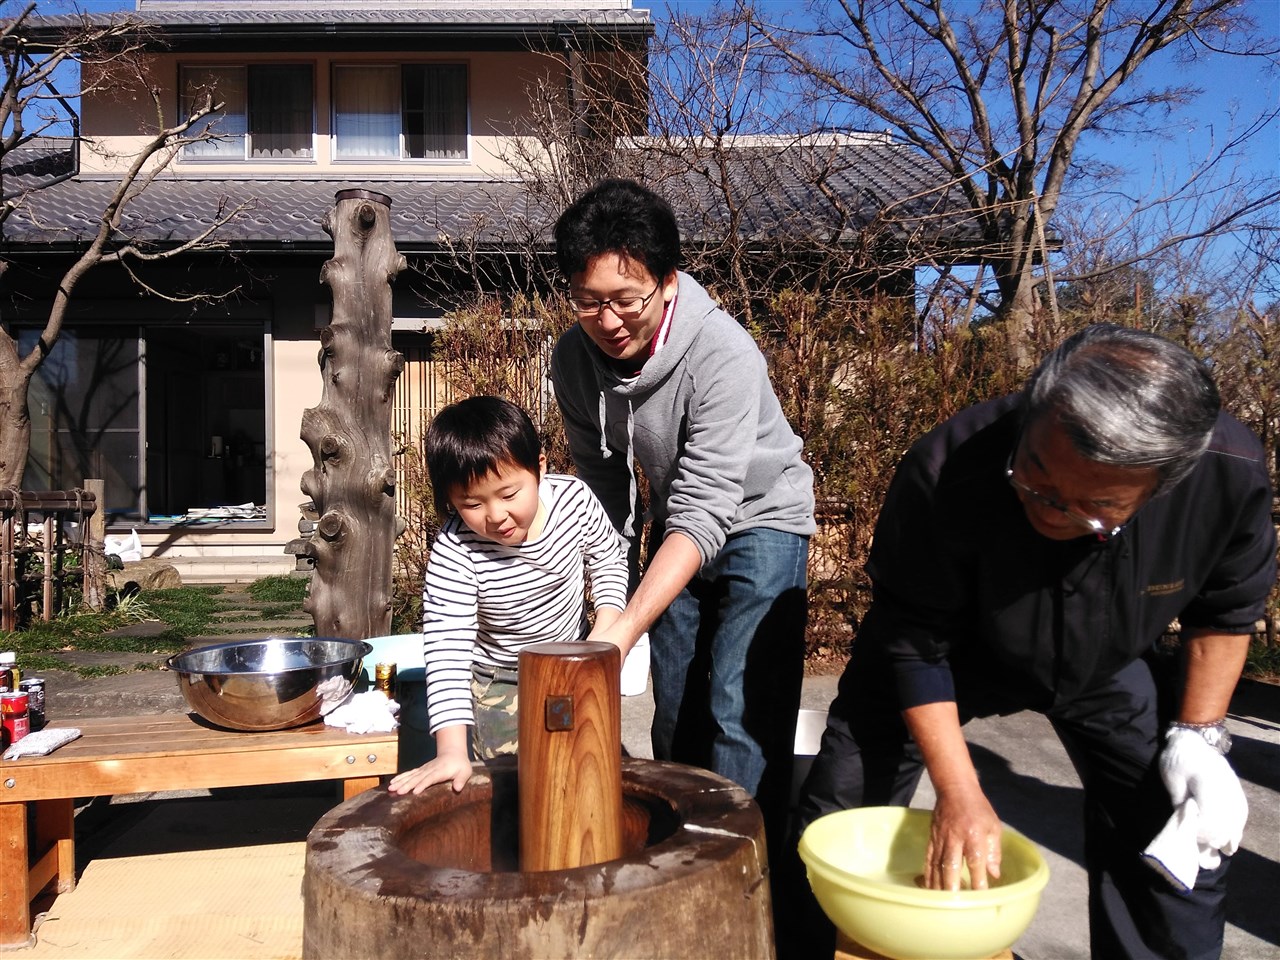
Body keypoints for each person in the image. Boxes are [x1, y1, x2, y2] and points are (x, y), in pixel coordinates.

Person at [793, 324, 1276, 959]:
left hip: (1104, 663)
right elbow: (915, 640)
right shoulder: (946, 466)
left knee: (1177, 823)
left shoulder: (1227, 477)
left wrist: (1198, 738)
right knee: (841, 814)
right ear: (1033, 410)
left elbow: (1224, 615)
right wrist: (960, 791)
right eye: (1036, 475)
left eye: (1092, 506)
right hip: (944, 654)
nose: (1050, 509)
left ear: (1164, 483)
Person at [549, 177, 816, 850]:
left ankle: (742, 868)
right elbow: (605, 487)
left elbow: (707, 507)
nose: (608, 321)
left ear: (668, 283)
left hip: (762, 516)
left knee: (738, 706)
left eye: (625, 300)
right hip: (681, 522)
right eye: (588, 302)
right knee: (676, 711)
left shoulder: (720, 352)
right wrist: (608, 601)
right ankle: (683, 853)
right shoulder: (573, 362)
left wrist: (625, 630)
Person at [389, 396, 629, 796]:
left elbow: (608, 560)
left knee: (584, 769)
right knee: (513, 789)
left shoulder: (574, 502)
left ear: (540, 465)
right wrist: (451, 750)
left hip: (574, 660)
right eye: (472, 503)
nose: (496, 515)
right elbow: (448, 649)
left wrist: (604, 631)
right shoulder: (456, 550)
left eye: (508, 494)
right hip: (500, 680)